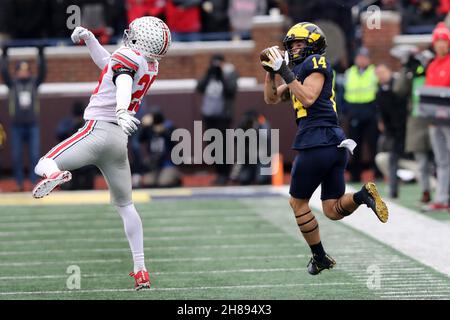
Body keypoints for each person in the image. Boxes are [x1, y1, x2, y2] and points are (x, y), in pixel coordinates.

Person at [31, 16, 172, 290]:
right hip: (119, 141)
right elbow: (112, 68)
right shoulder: (149, 64)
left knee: (44, 162)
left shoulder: (127, 57)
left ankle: (56, 174)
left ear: (140, 39)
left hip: (97, 130)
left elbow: (120, 81)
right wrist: (90, 40)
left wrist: (120, 111)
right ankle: (140, 269)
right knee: (126, 206)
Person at [262, 22, 388, 275]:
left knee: (298, 204)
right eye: (292, 45)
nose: (295, 49)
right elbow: (272, 98)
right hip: (333, 144)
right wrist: (270, 72)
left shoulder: (315, 63)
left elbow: (308, 97)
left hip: (316, 140)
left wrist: (284, 70)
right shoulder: (298, 70)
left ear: (313, 45)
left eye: (300, 44)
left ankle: (319, 257)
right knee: (332, 209)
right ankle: (363, 196)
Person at [1, 45, 46, 191]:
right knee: (17, 156)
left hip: (32, 124)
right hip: (17, 125)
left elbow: (43, 73)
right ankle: (19, 183)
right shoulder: (12, 84)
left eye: (26, 70)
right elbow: (4, 72)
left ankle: (34, 182)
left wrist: (41, 55)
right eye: (21, 70)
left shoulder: (34, 83)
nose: (23, 73)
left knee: (34, 155)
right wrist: (5, 56)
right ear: (16, 72)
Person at [196, 53, 238, 185]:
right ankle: (219, 173)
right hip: (209, 116)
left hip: (223, 117)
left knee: (223, 146)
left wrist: (222, 77)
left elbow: (231, 91)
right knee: (212, 146)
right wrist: (209, 74)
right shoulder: (210, 75)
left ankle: (225, 174)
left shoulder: (229, 74)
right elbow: (199, 88)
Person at [422, 22, 450, 211]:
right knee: (441, 160)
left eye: (444, 41)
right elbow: (428, 93)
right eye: (438, 41)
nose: (441, 44)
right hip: (434, 120)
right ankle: (442, 198)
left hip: (449, 118)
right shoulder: (431, 65)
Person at [343, 47, 379, 182]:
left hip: (370, 113)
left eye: (364, 57)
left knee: (373, 145)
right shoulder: (349, 73)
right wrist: (346, 112)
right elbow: (342, 94)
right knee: (354, 147)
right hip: (354, 113)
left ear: (369, 59)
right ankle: (355, 175)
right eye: (359, 57)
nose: (362, 60)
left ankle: (377, 173)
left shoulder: (374, 72)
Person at [374, 64, 408, 198]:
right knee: (389, 157)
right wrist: (381, 121)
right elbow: (381, 110)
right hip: (392, 131)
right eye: (379, 73)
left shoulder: (398, 86)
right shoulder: (380, 90)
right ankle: (393, 188)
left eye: (383, 72)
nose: (381, 76)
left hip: (405, 128)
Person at [137, 108, 181, 188]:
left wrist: (164, 131)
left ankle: (176, 177)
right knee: (148, 183)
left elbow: (175, 142)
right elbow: (141, 139)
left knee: (163, 183)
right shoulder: (149, 128)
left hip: (168, 162)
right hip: (154, 163)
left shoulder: (168, 126)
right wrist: (143, 126)